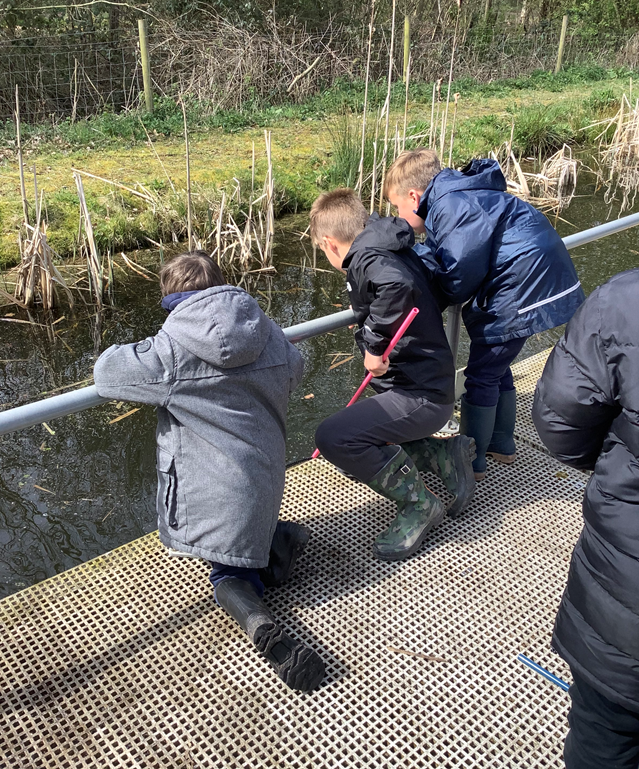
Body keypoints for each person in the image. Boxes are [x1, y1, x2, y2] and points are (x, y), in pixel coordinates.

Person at [93, 250, 325, 693]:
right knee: (252, 529)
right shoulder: (268, 333)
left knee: (228, 575)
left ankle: (262, 628)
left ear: (171, 301)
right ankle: (279, 542)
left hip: (219, 492)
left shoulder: (172, 351)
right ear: (222, 285)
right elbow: (295, 369)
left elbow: (107, 373)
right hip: (268, 473)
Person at [385, 148, 584, 478]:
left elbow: (458, 273)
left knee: (481, 375)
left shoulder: (449, 205)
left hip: (521, 284)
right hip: (533, 276)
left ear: (413, 195)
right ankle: (501, 443)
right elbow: (457, 250)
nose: (397, 215)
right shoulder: (458, 197)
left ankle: (470, 461)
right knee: (496, 365)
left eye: (397, 207)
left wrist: (425, 290)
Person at [311, 188, 476, 562]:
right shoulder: (389, 245)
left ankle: (421, 507)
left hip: (422, 396)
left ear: (329, 243)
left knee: (334, 438)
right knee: (354, 448)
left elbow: (396, 287)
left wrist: (372, 344)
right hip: (423, 385)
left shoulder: (368, 258)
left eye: (323, 251)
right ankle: (442, 454)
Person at [532, 269, 639, 769]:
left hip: (624, 627)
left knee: (604, 742)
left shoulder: (624, 301)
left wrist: (621, 461)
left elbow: (560, 424)